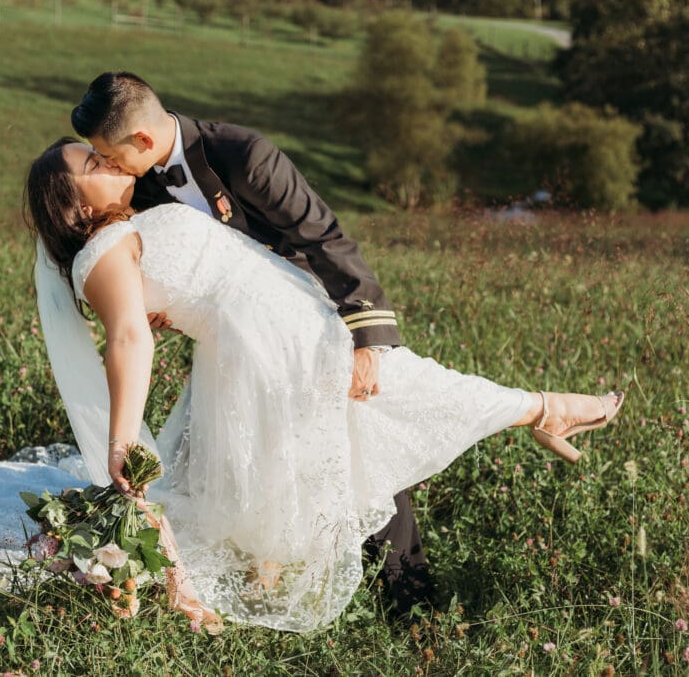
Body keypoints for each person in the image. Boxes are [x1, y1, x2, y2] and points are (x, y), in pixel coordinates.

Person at [25, 137, 625, 632]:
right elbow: (130, 338)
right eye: (93, 165)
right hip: (266, 343)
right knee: (401, 392)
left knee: (330, 437)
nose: (108, 160)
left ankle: (540, 410)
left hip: (280, 321)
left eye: (104, 152)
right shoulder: (100, 252)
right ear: (72, 205)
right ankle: (543, 408)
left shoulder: (135, 217)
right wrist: (121, 442)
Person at [64, 71, 430, 614]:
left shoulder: (243, 154)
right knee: (235, 461)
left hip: (304, 321)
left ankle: (410, 600)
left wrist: (365, 339)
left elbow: (324, 238)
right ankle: (251, 581)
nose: (111, 169)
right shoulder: (137, 182)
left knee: (357, 448)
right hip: (235, 348)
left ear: (141, 140)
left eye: (110, 157)